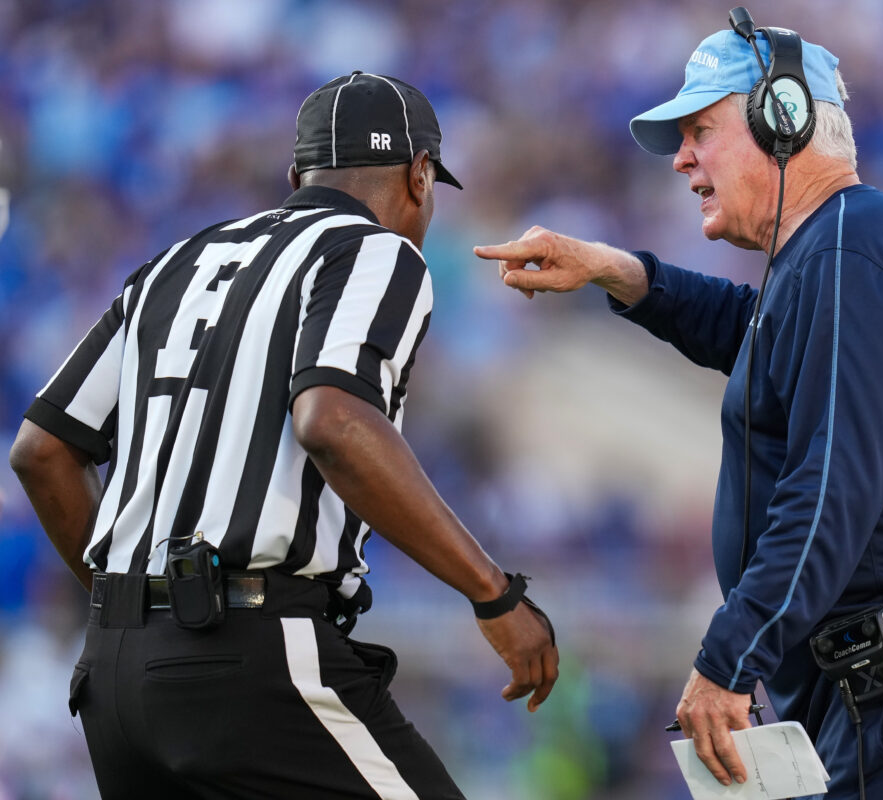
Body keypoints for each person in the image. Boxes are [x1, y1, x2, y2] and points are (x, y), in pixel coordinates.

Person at [474, 18, 883, 800]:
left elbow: (830, 489)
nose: (682, 159)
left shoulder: (852, 253)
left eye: (702, 129)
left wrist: (728, 658)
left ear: (785, 117)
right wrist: (616, 271)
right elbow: (755, 331)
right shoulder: (835, 251)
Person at [9, 72, 558, 799]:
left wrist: (143, 609)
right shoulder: (375, 249)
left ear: (297, 174)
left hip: (113, 672)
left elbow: (43, 450)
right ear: (420, 175)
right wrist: (493, 593)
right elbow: (331, 420)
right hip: (252, 659)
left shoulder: (174, 262)